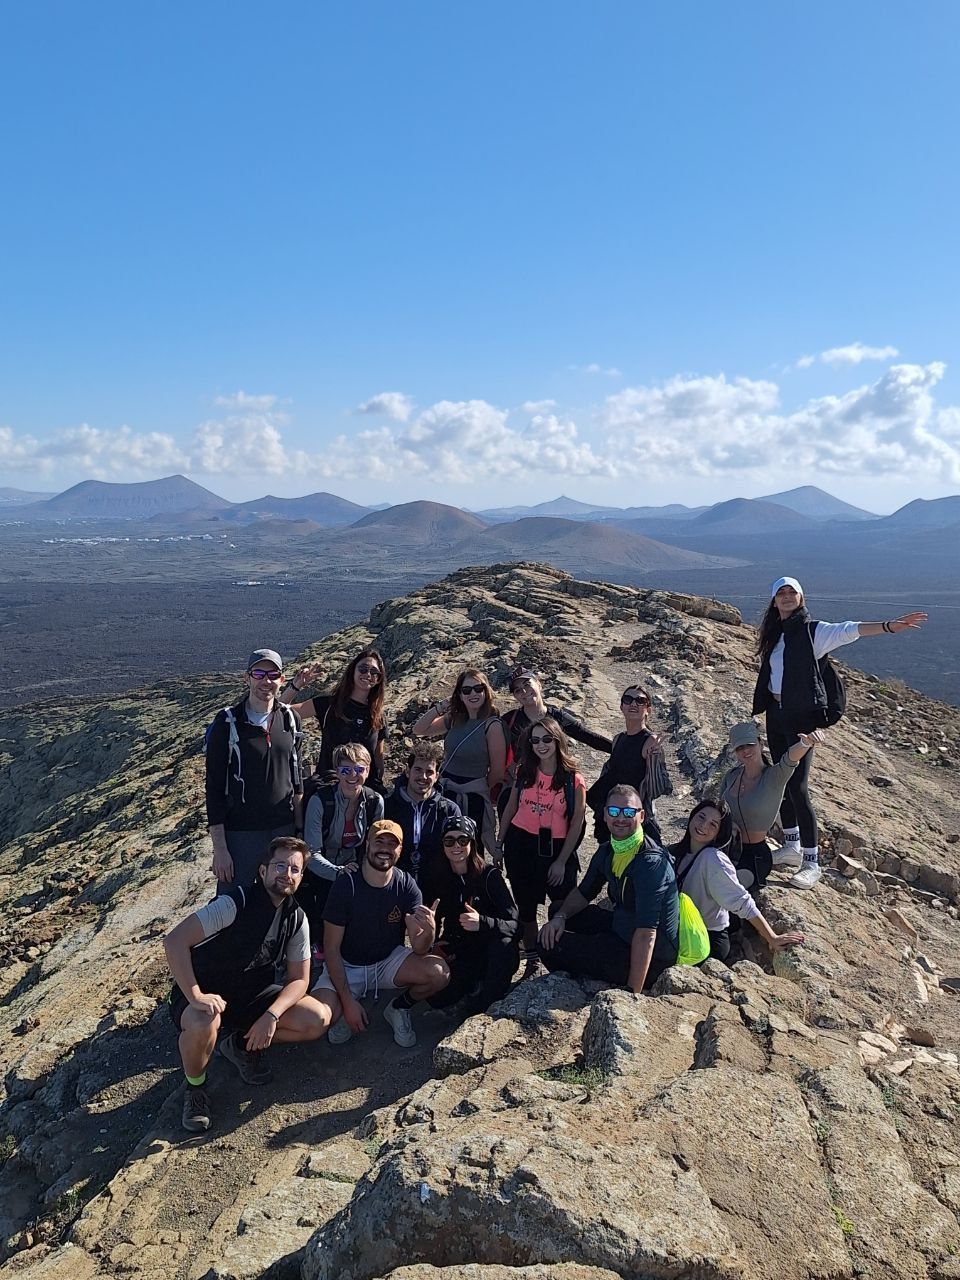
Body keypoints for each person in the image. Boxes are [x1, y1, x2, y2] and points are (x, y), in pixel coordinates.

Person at [752, 575, 927, 888]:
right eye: (781, 592)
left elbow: (850, 629)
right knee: (781, 779)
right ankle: (791, 846)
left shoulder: (813, 631)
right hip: (776, 715)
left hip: (801, 718)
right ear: (774, 601)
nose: (787, 596)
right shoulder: (775, 634)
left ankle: (811, 861)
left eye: (792, 592)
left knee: (799, 786)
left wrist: (889, 626)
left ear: (802, 598)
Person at [164, 836, 330, 1132]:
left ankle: (239, 1045)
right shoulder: (233, 903)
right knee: (205, 1020)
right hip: (205, 993)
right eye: (280, 865)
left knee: (315, 1019)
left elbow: (300, 980)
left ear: (302, 877)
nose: (286, 874)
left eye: (294, 869)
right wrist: (196, 995)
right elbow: (175, 941)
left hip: (252, 996)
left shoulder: (296, 919)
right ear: (262, 871)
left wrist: (272, 1015)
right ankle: (195, 1088)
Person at [311, 819, 450, 1048]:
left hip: (386, 961)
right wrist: (347, 1003)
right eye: (379, 841)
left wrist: (429, 932)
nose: (385, 848)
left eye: (392, 844)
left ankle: (398, 1007)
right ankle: (349, 1002)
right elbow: (332, 949)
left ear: (400, 850)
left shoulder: (406, 885)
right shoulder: (346, 884)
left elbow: (419, 949)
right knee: (319, 1018)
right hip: (348, 965)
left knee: (438, 973)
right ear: (367, 844)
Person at [537, 785, 679, 991]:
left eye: (629, 812)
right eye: (614, 811)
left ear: (642, 816)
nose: (620, 818)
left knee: (547, 944)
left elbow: (647, 934)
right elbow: (584, 892)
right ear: (604, 815)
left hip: (651, 957)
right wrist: (560, 917)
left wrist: (633, 993)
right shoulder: (609, 850)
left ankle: (585, 982)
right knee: (557, 910)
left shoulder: (651, 864)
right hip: (622, 927)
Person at [205, 648, 303, 895]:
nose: (265, 681)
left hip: (283, 829)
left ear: (282, 679)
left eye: (273, 674)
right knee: (232, 904)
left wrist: (299, 834)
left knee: (279, 899)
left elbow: (297, 780)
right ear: (247, 677)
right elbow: (214, 789)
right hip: (241, 833)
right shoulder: (227, 723)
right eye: (259, 673)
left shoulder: (290, 720)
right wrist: (221, 850)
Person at [497, 715, 587, 962]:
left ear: (558, 740)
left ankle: (562, 954)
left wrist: (561, 861)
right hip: (520, 843)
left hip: (557, 848)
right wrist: (498, 843)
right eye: (535, 740)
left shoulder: (573, 778)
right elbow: (511, 807)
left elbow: (577, 821)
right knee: (525, 907)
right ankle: (533, 955)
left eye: (547, 739)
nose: (541, 745)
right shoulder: (525, 770)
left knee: (562, 906)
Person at [670, 801, 805, 962]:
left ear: (719, 833)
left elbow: (742, 902)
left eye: (713, 824)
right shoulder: (678, 852)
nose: (703, 826)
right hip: (684, 930)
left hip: (704, 940)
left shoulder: (713, 859)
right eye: (701, 817)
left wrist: (772, 938)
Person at [430, 815, 520, 1017]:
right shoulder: (440, 877)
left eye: (463, 840)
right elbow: (435, 917)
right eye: (449, 840)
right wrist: (435, 944)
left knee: (503, 946)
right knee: (436, 996)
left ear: (473, 842)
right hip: (463, 949)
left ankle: (485, 1005)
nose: (456, 846)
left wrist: (482, 923)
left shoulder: (490, 876)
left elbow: (515, 926)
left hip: (492, 949)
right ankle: (473, 989)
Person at [411, 669, 507, 855]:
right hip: (445, 792)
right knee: (441, 844)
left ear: (486, 691)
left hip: (472, 798)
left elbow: (497, 771)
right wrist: (442, 706)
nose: (473, 694)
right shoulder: (455, 718)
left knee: (469, 849)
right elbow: (419, 729)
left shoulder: (492, 725)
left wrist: (477, 787)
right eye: (466, 690)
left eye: (478, 688)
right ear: (459, 695)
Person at [298, 742, 385, 944]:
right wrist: (338, 872)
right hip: (323, 871)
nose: (352, 776)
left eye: (359, 769)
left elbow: (375, 845)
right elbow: (311, 853)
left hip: (355, 867)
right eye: (345, 770)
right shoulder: (320, 801)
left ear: (368, 770)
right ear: (337, 771)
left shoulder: (375, 801)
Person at [720, 722, 823, 888]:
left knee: (731, 885)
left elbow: (790, 759)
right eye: (740, 748)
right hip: (725, 847)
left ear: (760, 745)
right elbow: (719, 809)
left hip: (753, 855)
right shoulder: (731, 776)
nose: (745, 751)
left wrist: (806, 743)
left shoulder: (774, 777)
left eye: (750, 745)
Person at [282, 648, 388, 791]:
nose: (368, 674)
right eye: (363, 669)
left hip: (364, 791)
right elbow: (281, 711)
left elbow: (378, 758)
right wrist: (296, 685)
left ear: (379, 679)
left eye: (374, 672)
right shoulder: (328, 704)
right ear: (353, 671)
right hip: (328, 787)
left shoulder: (378, 715)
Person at [500, 667, 612, 793]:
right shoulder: (509, 720)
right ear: (515, 696)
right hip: (522, 784)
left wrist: (619, 748)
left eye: (527, 684)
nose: (524, 691)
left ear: (538, 683)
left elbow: (587, 736)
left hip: (555, 784)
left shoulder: (558, 717)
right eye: (518, 690)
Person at [585, 683, 669, 843]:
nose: (633, 704)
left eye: (640, 701)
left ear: (648, 710)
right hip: (611, 815)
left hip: (632, 818)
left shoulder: (650, 741)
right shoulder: (618, 739)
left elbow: (656, 790)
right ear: (622, 707)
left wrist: (653, 760)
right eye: (628, 699)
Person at [383, 739, 462, 892]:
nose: (423, 777)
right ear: (407, 771)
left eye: (429, 772)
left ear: (437, 776)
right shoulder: (387, 806)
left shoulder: (449, 810)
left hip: (437, 887)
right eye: (418, 770)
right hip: (394, 886)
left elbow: (459, 854)